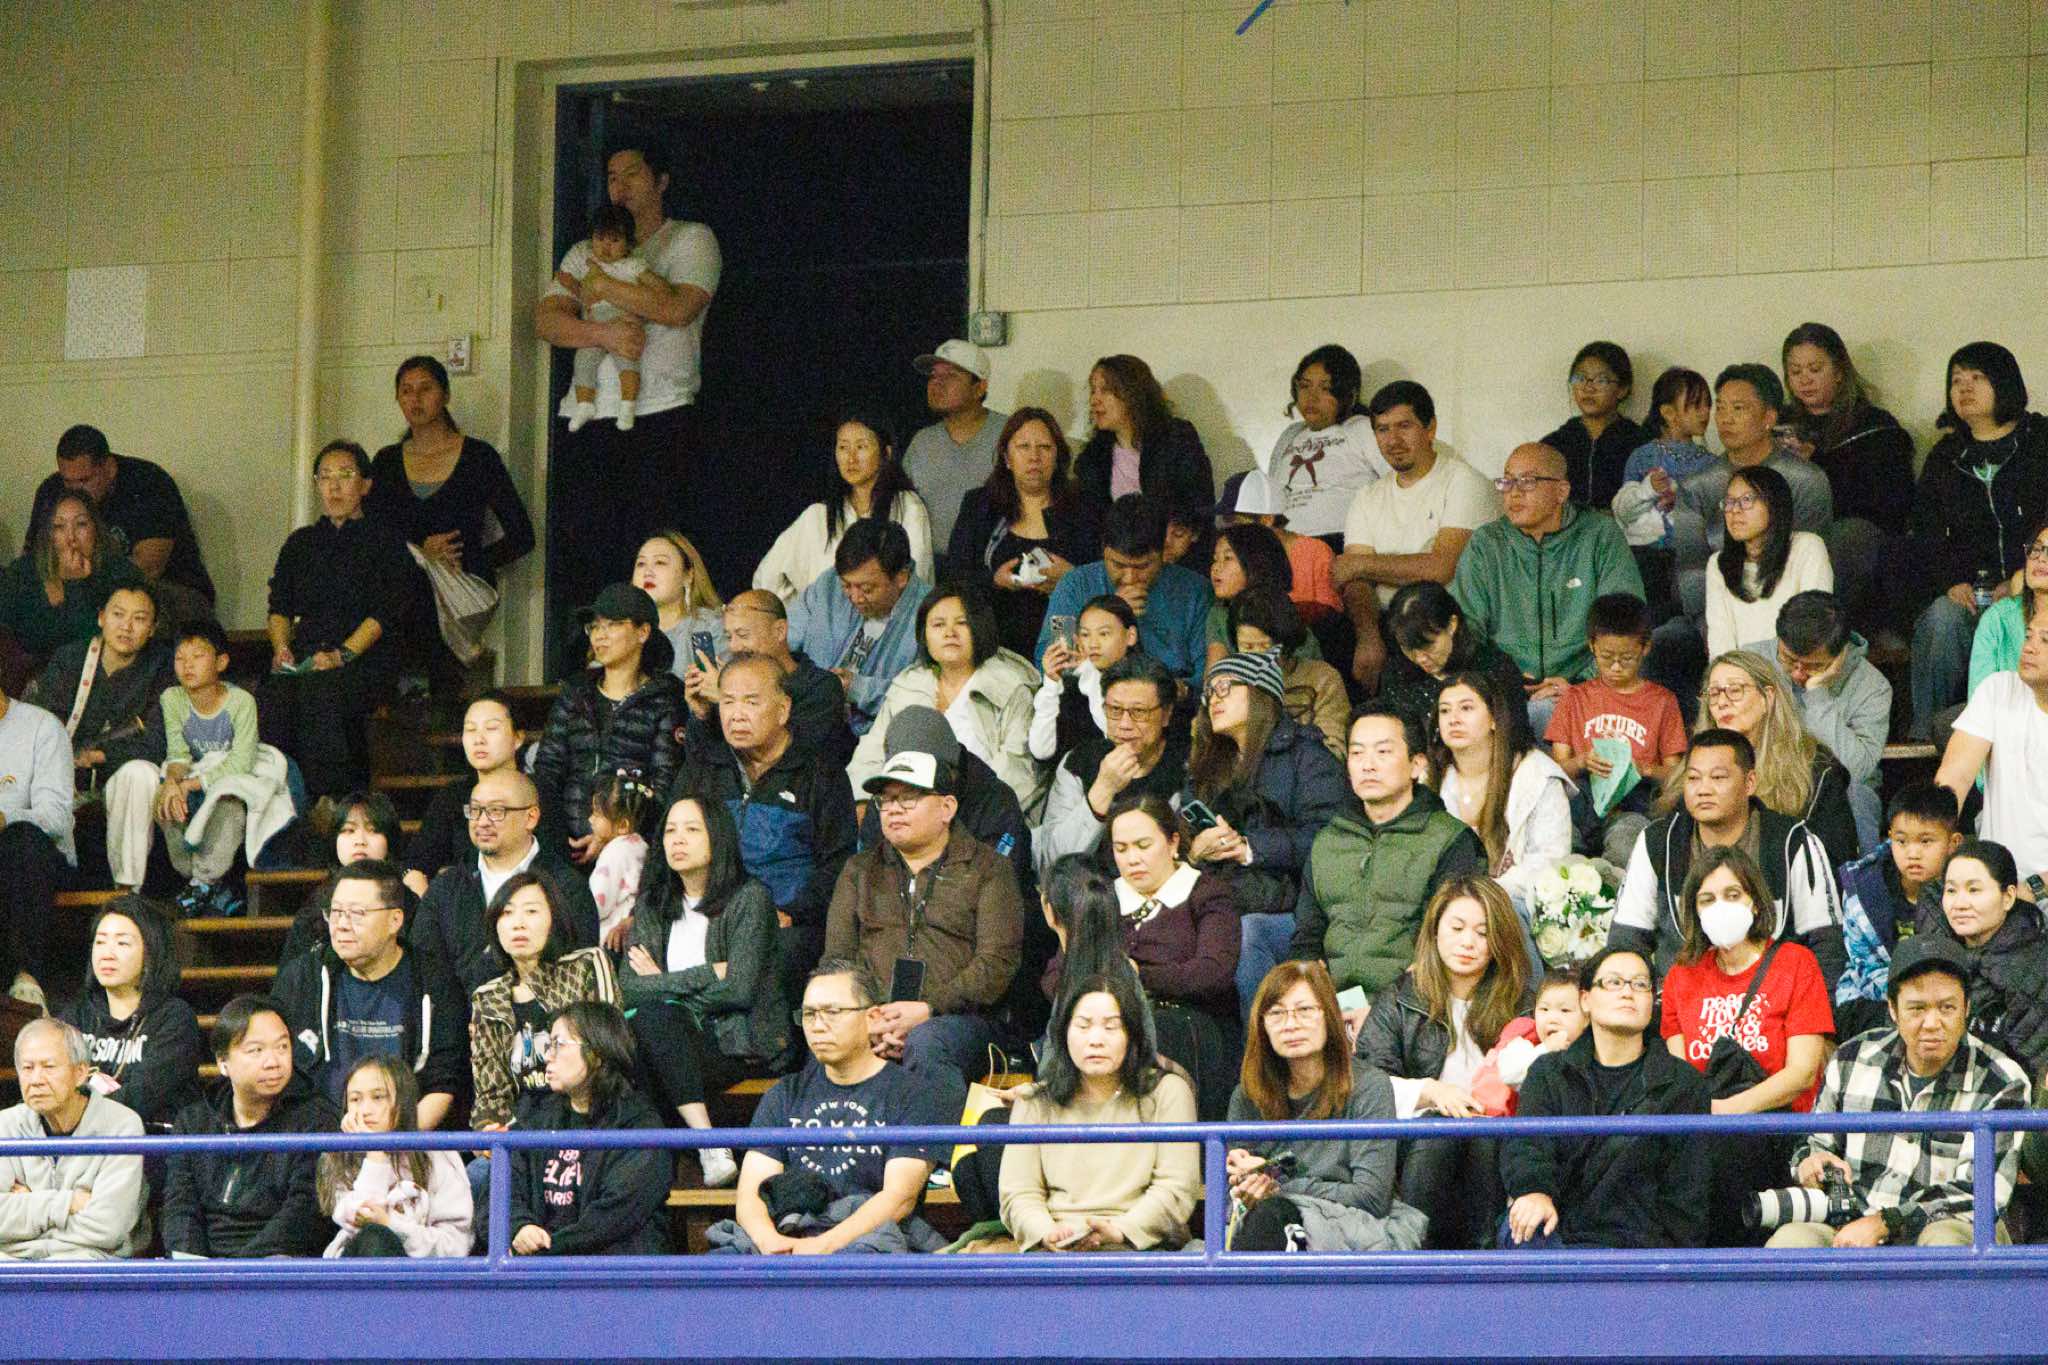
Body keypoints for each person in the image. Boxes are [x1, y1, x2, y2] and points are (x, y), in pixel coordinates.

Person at [536, 144, 720, 623]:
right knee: (589, 544)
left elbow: (678, 307)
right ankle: (597, 647)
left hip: (661, 409)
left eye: (632, 174)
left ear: (661, 181)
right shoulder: (585, 250)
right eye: (612, 177)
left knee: (659, 546)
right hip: (590, 413)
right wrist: (604, 334)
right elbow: (548, 321)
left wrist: (603, 287)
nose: (620, 186)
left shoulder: (690, 239)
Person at [1770, 936, 2029, 1250]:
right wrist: (1811, 1163)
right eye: (1917, 1009)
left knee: (1945, 1240)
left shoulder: (2003, 1080)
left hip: (1949, 1224)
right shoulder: (1852, 1057)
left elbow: (1983, 1193)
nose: (1932, 1023)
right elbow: (1813, 1143)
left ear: (1967, 1008)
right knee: (1790, 1241)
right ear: (1893, 1009)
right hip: (1850, 1222)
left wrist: (1887, 1222)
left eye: (1947, 1008)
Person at [722, 960, 965, 1255]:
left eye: (833, 1012)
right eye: (809, 1014)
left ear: (872, 1018)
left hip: (869, 1244)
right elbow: (751, 1194)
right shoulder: (783, 1094)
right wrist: (769, 1242)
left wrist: (821, 1247)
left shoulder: (913, 1094)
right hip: (788, 1236)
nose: (818, 1026)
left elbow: (899, 1198)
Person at [1660, 846, 1835, 1242]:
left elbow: (1802, 1073)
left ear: (1755, 902)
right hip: (1706, 1137)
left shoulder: (1795, 962)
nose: (1720, 906)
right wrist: (1708, 1117)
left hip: (1778, 1133)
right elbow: (1680, 1074)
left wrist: (1724, 1112)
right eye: (1707, 899)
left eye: (1732, 894)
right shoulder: (1681, 976)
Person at [824, 744, 1024, 1083]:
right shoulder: (859, 870)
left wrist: (928, 1009)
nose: (893, 810)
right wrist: (869, 1018)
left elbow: (996, 964)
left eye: (909, 799)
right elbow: (837, 960)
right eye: (886, 800)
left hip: (963, 1020)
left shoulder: (989, 869)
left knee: (926, 1042)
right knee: (831, 1039)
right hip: (873, 1018)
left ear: (947, 807)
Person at [1354, 876, 1534, 1249]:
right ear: (1435, 931)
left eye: (1483, 933)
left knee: (1484, 1135)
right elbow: (1367, 1084)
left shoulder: (1525, 1005)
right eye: (1457, 928)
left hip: (1496, 1145)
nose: (1468, 942)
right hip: (1414, 1147)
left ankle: (1485, 1260)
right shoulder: (1399, 1000)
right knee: (1438, 1130)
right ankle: (1414, 1253)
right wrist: (1431, 1091)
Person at [622, 794, 790, 1187]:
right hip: (674, 1041)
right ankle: (702, 1149)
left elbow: (739, 990)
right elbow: (628, 989)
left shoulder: (749, 898)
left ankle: (656, 1170)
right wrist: (705, 974)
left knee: (654, 1019)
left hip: (737, 1042)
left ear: (718, 837)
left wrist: (662, 985)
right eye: (670, 831)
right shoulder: (653, 905)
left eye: (692, 830)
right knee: (648, 1026)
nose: (677, 839)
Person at [1499, 947, 1711, 1249]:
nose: (1627, 992)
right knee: (1524, 1230)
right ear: (1585, 999)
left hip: (1639, 1245)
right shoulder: (1549, 1072)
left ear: (1652, 1001)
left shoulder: (1682, 1084)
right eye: (1613, 982)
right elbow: (1527, 1146)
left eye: (1640, 984)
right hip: (1558, 1230)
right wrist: (1534, 1191)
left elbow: (1687, 1189)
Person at [1042, 798, 1239, 1116]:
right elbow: (1055, 979)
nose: (1132, 859)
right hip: (1109, 1021)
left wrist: (1137, 974)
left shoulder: (1206, 893)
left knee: (1151, 1035)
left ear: (1173, 842)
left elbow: (1213, 972)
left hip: (1187, 1023)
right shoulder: (1103, 896)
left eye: (1143, 846)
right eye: (1121, 849)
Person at [1607, 728, 1845, 985]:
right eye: (1693, 778)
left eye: (1718, 777)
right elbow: (1627, 941)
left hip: (1774, 998)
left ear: (1749, 783)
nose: (1703, 789)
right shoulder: (1658, 842)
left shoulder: (1792, 842)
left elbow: (1827, 944)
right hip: (1681, 999)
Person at [676, 650, 857, 984]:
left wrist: (794, 912)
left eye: (751, 702)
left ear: (783, 709)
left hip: (787, 926)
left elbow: (838, 866)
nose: (737, 715)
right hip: (709, 918)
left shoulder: (821, 774)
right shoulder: (704, 771)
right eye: (727, 702)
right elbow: (667, 847)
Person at [1183, 650, 1349, 1013]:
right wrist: (1197, 851)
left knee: (1248, 932)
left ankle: (1256, 1045)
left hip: (1296, 907)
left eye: (1225, 687)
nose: (1214, 699)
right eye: (1209, 692)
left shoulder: (1308, 757)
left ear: (1261, 694)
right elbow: (1180, 843)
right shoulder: (1208, 764)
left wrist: (1249, 848)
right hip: (1225, 897)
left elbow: (1331, 840)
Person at [1291, 703, 1487, 1002]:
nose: (1367, 765)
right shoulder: (1329, 840)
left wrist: (1383, 1011)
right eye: (1357, 753)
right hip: (1337, 1004)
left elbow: (1443, 946)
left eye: (1383, 752)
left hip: (1413, 1003)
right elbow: (1308, 937)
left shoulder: (1450, 840)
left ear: (1416, 765)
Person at [1225, 960, 1427, 1251]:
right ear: (1262, 1025)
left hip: (1352, 1225)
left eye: (1305, 1010)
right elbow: (1232, 1199)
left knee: (1273, 1217)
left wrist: (1277, 1184)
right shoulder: (1249, 1095)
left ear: (1330, 1016)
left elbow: (1371, 1197)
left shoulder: (1369, 1086)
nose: (1291, 1024)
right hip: (1268, 1223)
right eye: (1277, 1013)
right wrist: (1246, 1188)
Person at [1450, 442, 1646, 736]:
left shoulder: (1599, 535)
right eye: (1507, 481)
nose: (1514, 492)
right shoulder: (1487, 544)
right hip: (1504, 690)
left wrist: (1582, 684)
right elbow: (1466, 629)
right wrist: (1502, 679)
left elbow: (1625, 623)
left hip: (1588, 687)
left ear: (1561, 491)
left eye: (1527, 481)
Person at [1905, 342, 2048, 739]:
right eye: (1956, 380)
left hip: (2035, 591)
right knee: (1941, 618)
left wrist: (2019, 578)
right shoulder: (1945, 457)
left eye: (1977, 378)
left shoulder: (2041, 442)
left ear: (2004, 383)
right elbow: (1926, 532)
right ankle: (1927, 738)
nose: (1964, 388)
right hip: (1972, 595)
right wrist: (1951, 581)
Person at [998, 971, 1201, 1252]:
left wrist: (1121, 1230)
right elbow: (1019, 1193)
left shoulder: (1167, 1092)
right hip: (1056, 1248)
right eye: (1083, 1026)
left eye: (1111, 1027)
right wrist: (1047, 1232)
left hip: (1143, 1247)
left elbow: (1176, 1187)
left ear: (1133, 1035)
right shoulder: (1034, 1100)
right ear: (1063, 1033)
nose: (1096, 1039)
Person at [366, 354, 533, 690]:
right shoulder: (385, 462)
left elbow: (522, 536)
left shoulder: (479, 457)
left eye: (425, 389)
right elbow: (372, 534)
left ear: (445, 395)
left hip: (461, 589)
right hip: (403, 588)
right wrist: (421, 552)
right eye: (406, 391)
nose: (415, 398)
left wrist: (467, 559)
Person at [261, 439, 414, 799]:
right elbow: (279, 606)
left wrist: (341, 655)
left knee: (323, 691)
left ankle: (332, 802)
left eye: (345, 475)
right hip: (308, 655)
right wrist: (282, 649)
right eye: (325, 476)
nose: (334, 486)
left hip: (363, 658)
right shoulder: (301, 543)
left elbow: (384, 612)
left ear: (365, 484)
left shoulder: (385, 541)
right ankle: (280, 801)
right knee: (274, 693)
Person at [272, 859, 467, 1128]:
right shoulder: (304, 977)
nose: (341, 925)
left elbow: (443, 1083)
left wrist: (396, 1141)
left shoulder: (433, 981)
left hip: (409, 1139)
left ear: (395, 920)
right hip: (319, 1138)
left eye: (357, 913)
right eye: (335, 912)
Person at [1333, 380, 1498, 690]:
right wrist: (1368, 638)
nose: (1393, 440)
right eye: (1382, 429)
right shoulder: (1367, 496)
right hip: (1386, 627)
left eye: (1404, 426)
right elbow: (1354, 580)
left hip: (1446, 627)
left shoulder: (1463, 482)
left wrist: (1361, 564)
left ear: (1430, 428)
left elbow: (1440, 568)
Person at [105, 619, 268, 913]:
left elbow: (241, 762)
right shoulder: (172, 698)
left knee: (228, 802)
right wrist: (171, 784)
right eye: (180, 658)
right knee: (165, 800)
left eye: (197, 656)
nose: (187, 665)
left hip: (232, 777)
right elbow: (178, 754)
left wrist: (188, 784)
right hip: (195, 775)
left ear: (221, 662)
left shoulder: (241, 701)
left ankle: (205, 881)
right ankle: (198, 881)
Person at [163, 995, 337, 1259]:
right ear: (223, 1062)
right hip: (204, 1267)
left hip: (279, 1263)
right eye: (256, 1050)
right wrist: (195, 1267)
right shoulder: (193, 1123)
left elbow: (304, 1214)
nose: (273, 1061)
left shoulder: (316, 1119)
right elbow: (180, 1209)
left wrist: (237, 1269)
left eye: (282, 1047)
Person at [848, 581, 1044, 813]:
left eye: (962, 623)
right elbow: (871, 753)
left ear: (981, 628)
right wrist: (862, 803)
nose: (950, 633)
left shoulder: (1010, 686)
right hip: (904, 813)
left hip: (982, 818)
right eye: (938, 624)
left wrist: (951, 815)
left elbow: (1019, 773)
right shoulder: (909, 684)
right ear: (924, 634)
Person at [1668, 365, 1835, 630]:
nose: (1725, 419)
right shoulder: (1696, 485)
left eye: (1738, 408)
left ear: (1769, 417)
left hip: (1789, 618)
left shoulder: (1805, 479)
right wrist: (1709, 629)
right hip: (1717, 616)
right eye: (1720, 408)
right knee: (1667, 637)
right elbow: (1691, 570)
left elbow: (1809, 563)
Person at [532, 582, 686, 864]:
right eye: (594, 627)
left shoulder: (665, 700)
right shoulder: (575, 692)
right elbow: (547, 771)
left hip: (632, 850)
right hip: (564, 846)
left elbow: (663, 785)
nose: (599, 635)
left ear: (643, 632)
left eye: (612, 624)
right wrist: (558, 839)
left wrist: (613, 835)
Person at [506, 1001, 670, 1256]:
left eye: (559, 1045)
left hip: (611, 1272)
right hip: (542, 1267)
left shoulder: (640, 1126)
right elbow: (502, 1187)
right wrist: (520, 1226)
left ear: (597, 1052)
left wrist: (544, 1251)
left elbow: (612, 1219)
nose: (547, 1056)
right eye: (548, 1046)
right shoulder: (536, 1118)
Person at [415, 769, 600, 992]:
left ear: (531, 817)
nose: (482, 822)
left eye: (496, 811)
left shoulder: (566, 886)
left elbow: (579, 973)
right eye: (475, 810)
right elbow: (428, 971)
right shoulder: (446, 888)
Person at [1780, 323, 1915, 625]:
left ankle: (1820, 629)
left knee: (1849, 536)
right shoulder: (1779, 423)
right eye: (1795, 371)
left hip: (1852, 538)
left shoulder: (1876, 427)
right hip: (1789, 530)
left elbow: (1891, 504)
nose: (1805, 379)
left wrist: (1818, 464)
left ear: (1839, 371)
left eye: (1815, 369)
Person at [468, 870, 623, 1133]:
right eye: (507, 913)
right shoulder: (487, 998)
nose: (518, 924)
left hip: (591, 1120)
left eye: (531, 911)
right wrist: (488, 1126)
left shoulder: (586, 965)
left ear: (555, 918)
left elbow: (610, 1052)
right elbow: (490, 1094)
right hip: (524, 1132)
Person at [943, 406, 1100, 660]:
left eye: (1044, 447)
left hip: (1063, 635)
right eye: (1023, 447)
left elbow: (1104, 582)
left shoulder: (1085, 510)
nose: (1034, 457)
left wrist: (1071, 579)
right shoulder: (980, 505)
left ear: (1058, 457)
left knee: (1061, 665)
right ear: (1007, 458)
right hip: (992, 639)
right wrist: (995, 581)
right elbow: (956, 577)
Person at [1544, 592, 1687, 860]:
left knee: (1626, 845)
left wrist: (1642, 769)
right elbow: (1556, 772)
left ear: (1645, 648)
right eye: (1607, 657)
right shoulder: (1574, 698)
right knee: (1558, 844)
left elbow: (1676, 775)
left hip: (1633, 806)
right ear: (1592, 646)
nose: (1617, 666)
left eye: (1627, 658)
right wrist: (1582, 761)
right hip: (1580, 803)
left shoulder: (1662, 702)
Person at [24, 423, 214, 624]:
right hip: (78, 593)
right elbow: (33, 558)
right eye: (67, 481)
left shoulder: (148, 482)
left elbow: (149, 569)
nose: (74, 491)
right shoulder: (51, 490)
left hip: (168, 589)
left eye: (84, 481)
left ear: (109, 468)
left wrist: (81, 583)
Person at [23, 582, 173, 832]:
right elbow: (43, 720)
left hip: (121, 775)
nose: (126, 626)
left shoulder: (162, 667)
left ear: (152, 629)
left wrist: (99, 756)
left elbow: (158, 739)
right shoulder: (70, 659)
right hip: (63, 773)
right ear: (101, 617)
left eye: (139, 619)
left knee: (140, 773)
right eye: (118, 614)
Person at [1751, 589, 1892, 851]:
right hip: (1765, 775)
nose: (1797, 674)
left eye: (1813, 666)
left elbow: (1857, 771)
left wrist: (1817, 694)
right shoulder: (1749, 663)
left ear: (1840, 654)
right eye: (1788, 660)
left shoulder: (1873, 686)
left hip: (1838, 787)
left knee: (1857, 797)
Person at [1695, 649, 1860, 869]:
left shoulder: (1816, 769)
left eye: (1735, 690)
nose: (1722, 702)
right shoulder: (1695, 769)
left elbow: (1835, 861)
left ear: (1768, 697)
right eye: (1714, 693)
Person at [0, 1018, 147, 1261]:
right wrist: (67, 1203)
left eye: (48, 1067)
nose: (36, 1080)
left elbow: (108, 1227)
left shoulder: (122, 1125)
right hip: (14, 1263)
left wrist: (27, 1207)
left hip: (87, 1263)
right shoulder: (5, 1125)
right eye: (27, 1068)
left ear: (80, 1073)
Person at [1034, 493, 1213, 688]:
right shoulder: (1074, 586)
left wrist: (1178, 689)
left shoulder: (1195, 591)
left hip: (1171, 697)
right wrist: (1111, 613)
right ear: (1104, 550)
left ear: (1163, 552)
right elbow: (1053, 662)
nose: (1130, 578)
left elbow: (1208, 673)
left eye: (1142, 566)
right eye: (1118, 565)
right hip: (1091, 695)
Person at [1036, 653, 1189, 878]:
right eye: (1115, 710)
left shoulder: (1186, 768)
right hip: (1088, 891)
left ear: (1166, 714)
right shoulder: (1078, 762)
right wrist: (1103, 789)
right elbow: (1054, 860)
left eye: (1139, 712)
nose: (1124, 724)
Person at [58, 897, 204, 1132]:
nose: (107, 954)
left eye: (122, 943)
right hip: (83, 1142)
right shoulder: (75, 1017)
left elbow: (141, 1098)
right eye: (100, 942)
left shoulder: (175, 1018)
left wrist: (84, 1091)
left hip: (153, 1143)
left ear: (150, 954)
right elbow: (55, 1088)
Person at [754, 413, 934, 603]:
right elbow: (767, 578)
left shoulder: (908, 507)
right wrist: (802, 613)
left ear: (886, 453)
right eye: (843, 447)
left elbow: (917, 581)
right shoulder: (817, 516)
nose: (851, 458)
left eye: (861, 447)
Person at [1433, 671, 1572, 911]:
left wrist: (1481, 896)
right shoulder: (1428, 777)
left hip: (1514, 905)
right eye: (1444, 711)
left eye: (1466, 708)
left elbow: (1551, 860)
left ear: (1494, 719)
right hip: (1443, 906)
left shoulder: (1536, 774)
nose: (1453, 719)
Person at [1912, 840, 2048, 1079]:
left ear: (2008, 897)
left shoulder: (2037, 964)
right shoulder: (1929, 953)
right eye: (1951, 891)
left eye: (1974, 890)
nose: (1959, 904)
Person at [399, 691, 554, 899]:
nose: (479, 739)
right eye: (470, 729)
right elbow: (416, 863)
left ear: (518, 738)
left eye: (491, 728)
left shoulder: (539, 793)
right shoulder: (452, 797)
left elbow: (555, 865)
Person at [786, 517, 933, 736]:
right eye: (846, 585)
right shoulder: (828, 585)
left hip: (872, 735)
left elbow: (925, 698)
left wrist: (856, 688)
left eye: (867, 589)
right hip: (804, 715)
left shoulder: (933, 614)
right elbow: (784, 639)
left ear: (901, 577)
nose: (855, 597)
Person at [1837, 783, 1964, 1036]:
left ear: (1953, 842)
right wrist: (1907, 1001)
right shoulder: (1863, 887)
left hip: (1945, 1000)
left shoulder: (1966, 894)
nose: (1912, 853)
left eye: (1926, 841)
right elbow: (1864, 965)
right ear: (1889, 837)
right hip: (1874, 999)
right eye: (1901, 841)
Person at [315, 1055, 473, 1258]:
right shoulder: (340, 1158)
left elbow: (455, 1246)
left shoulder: (438, 1155)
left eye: (378, 1097)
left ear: (403, 1102)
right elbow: (363, 1218)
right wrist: (375, 1154)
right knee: (373, 1237)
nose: (365, 1110)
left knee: (377, 1237)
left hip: (420, 1274)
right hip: (357, 1265)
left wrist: (392, 1224)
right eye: (355, 1099)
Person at [1938, 596, 2048, 885]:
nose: (2029, 647)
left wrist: (2033, 890)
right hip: (1995, 886)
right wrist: (1934, 836)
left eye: (2045, 640)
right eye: (2029, 635)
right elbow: (1956, 776)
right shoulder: (1999, 690)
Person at [682, 588, 852, 766]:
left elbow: (795, 758)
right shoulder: (727, 684)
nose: (734, 646)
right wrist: (704, 715)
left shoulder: (821, 688)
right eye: (729, 637)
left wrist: (728, 699)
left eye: (743, 635)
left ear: (779, 631)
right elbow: (699, 763)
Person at [0, 490, 145, 668]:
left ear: (95, 529)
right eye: (59, 527)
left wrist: (75, 585)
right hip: (29, 675)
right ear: (48, 535)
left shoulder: (120, 574)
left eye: (81, 524)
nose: (71, 538)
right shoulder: (23, 572)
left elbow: (92, 647)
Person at [1262, 343, 1389, 545]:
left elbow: (1399, 482)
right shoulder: (1290, 434)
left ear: (1347, 394)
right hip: (1285, 546)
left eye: (1325, 388)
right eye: (1304, 386)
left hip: (1340, 542)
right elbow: (1271, 495)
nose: (1311, 398)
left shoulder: (1362, 428)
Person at [1703, 465, 1833, 659]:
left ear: (1774, 505)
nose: (1734, 510)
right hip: (1741, 674)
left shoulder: (1807, 547)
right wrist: (1730, 675)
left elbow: (1813, 627)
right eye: (1729, 502)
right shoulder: (1718, 563)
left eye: (1747, 500)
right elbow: (1720, 641)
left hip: (1797, 668)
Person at [1072, 354, 1215, 529]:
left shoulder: (1176, 438)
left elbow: (1200, 506)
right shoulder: (1091, 458)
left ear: (1133, 394)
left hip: (1174, 543)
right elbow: (1090, 524)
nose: (1094, 400)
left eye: (1106, 390)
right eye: (1093, 391)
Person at [1612, 367, 1717, 602]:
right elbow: (1623, 512)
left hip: (1694, 559)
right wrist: (1647, 490)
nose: (1706, 412)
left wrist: (1683, 502)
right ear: (1668, 412)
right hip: (1644, 559)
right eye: (1696, 405)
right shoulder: (1643, 457)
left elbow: (1717, 516)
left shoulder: (1712, 463)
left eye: (1708, 405)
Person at [280, 791, 422, 964]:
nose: (360, 841)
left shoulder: (407, 902)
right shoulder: (315, 909)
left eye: (373, 830)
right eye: (349, 830)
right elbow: (292, 974)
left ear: (389, 840)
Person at [1216, 470, 1346, 659]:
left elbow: (1330, 618)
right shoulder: (1232, 555)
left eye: (1236, 523)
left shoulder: (1315, 552)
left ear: (1267, 520)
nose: (1228, 531)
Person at [1379, 580, 1531, 740]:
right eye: (1408, 649)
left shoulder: (1496, 669)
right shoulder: (1396, 675)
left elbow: (1516, 739)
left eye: (1428, 645)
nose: (1420, 658)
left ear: (1452, 625)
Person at [0, 687, 73, 1009]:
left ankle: (26, 978)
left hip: (36, 861)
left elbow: (57, 818)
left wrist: (5, 817)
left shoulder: (41, 727)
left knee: (22, 840)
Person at [560, 203, 657, 431]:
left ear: (629, 244)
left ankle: (627, 406)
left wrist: (641, 310)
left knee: (627, 362)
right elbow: (572, 285)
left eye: (614, 240)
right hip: (594, 322)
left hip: (622, 319)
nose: (606, 246)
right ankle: (584, 405)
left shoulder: (632, 265)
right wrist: (576, 289)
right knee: (583, 361)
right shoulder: (588, 262)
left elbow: (656, 291)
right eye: (600, 239)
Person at [905, 340, 1007, 549]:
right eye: (934, 375)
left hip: (992, 563)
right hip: (930, 563)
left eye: (950, 376)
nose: (937, 383)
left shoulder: (1010, 433)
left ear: (979, 388)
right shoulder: (922, 442)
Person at [1230, 583, 1348, 759]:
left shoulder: (1322, 679)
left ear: (1285, 641)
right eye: (1247, 647)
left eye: (1265, 646)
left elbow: (1333, 751)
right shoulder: (1228, 686)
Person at [1541, 340, 1649, 511]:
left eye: (1601, 380)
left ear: (1622, 389)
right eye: (1580, 378)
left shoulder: (1641, 444)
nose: (1588, 388)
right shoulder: (1553, 445)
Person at [1029, 593, 1136, 764]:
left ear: (1130, 636)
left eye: (1104, 634)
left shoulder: (1147, 681)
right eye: (1085, 635)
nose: (1093, 644)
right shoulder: (1068, 687)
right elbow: (1041, 751)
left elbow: (1118, 738)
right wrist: (1050, 684)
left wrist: (1090, 675)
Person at [1204, 521, 1320, 674]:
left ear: (1257, 562)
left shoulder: (1280, 612)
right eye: (1215, 559)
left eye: (1227, 558)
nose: (1215, 567)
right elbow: (1215, 673)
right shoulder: (1218, 614)